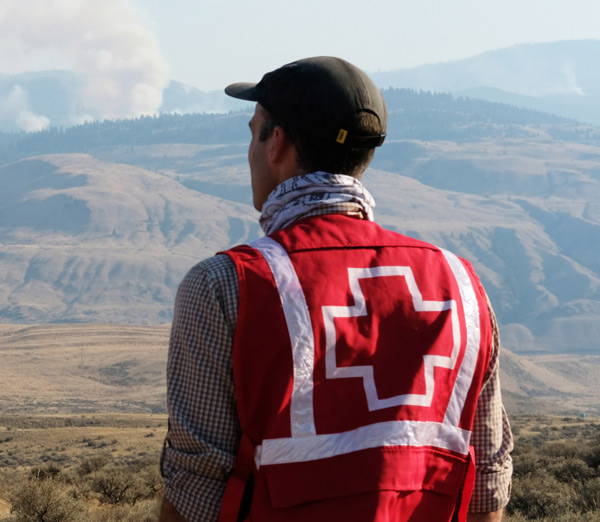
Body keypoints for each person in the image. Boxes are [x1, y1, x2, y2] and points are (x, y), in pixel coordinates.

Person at [159, 56, 513, 522]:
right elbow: (485, 483)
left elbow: (197, 487)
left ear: (276, 144)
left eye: (253, 131)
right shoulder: (461, 285)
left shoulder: (227, 284)